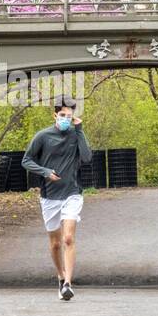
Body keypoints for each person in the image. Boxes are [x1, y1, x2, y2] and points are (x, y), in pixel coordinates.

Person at [21, 96, 92, 301]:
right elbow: (26, 160)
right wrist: (44, 172)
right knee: (55, 244)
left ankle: (69, 283)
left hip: (72, 192)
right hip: (50, 196)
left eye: (69, 116)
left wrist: (79, 130)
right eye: (62, 115)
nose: (65, 119)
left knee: (68, 237)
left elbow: (87, 158)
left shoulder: (76, 133)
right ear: (55, 115)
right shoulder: (43, 136)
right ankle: (60, 277)